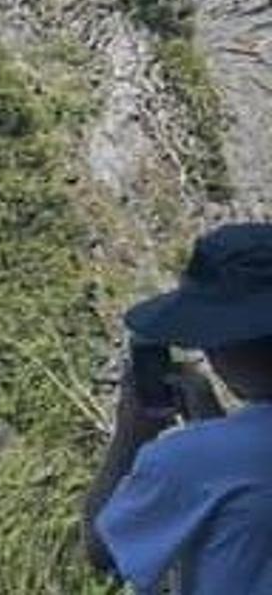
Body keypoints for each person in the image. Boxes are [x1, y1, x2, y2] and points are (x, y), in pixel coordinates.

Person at [85, 222, 272, 594]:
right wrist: (212, 421)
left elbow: (103, 548)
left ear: (226, 342)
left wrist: (131, 434)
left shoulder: (186, 460)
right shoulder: (213, 457)